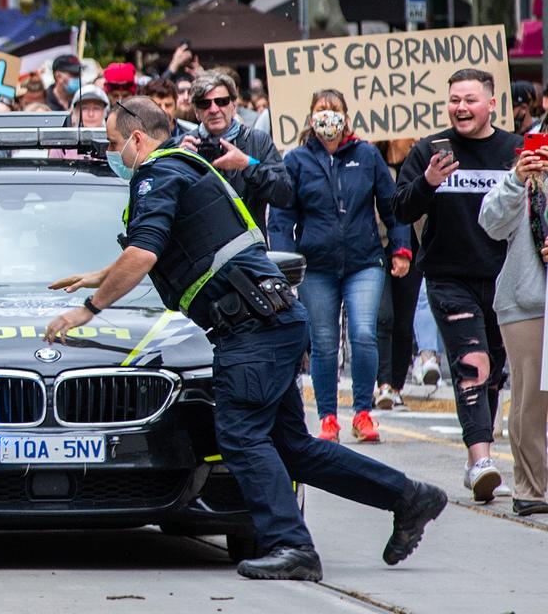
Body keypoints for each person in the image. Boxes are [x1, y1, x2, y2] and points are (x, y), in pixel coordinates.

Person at [43, 97, 445, 580]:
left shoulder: (157, 173)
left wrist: (88, 309)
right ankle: (409, 497)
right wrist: (99, 274)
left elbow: (145, 253)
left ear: (136, 138)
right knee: (293, 448)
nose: (113, 154)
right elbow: (170, 245)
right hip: (270, 322)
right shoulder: (185, 168)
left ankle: (291, 545)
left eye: (112, 144)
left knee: (240, 437)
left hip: (251, 329)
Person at [393, 68, 523, 502]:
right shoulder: (432, 150)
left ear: (490, 103)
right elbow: (400, 209)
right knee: (473, 364)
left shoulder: (514, 150)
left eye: (469, 99)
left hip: (506, 278)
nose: (461, 107)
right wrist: (428, 181)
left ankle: (474, 465)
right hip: (449, 276)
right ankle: (483, 458)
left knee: (494, 373)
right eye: (454, 100)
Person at [269, 90, 412, 443]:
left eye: (334, 111)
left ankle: (362, 413)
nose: (327, 118)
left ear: (346, 117)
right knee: (324, 341)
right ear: (311, 117)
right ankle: (329, 417)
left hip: (364, 261)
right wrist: (285, 264)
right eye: (321, 111)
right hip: (316, 267)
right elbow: (282, 216)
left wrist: (401, 248)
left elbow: (393, 206)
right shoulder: (297, 161)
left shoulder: (367, 156)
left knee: (364, 333)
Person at [478, 143, 548, 515]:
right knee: (532, 396)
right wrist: (517, 178)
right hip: (526, 302)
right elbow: (491, 223)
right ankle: (530, 487)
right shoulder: (524, 181)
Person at [178, 71, 292, 237]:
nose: (214, 109)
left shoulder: (257, 141)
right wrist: (179, 164)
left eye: (222, 101)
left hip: (249, 252)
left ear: (234, 105)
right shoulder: (183, 145)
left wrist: (248, 164)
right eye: (205, 104)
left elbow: (284, 195)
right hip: (201, 253)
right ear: (196, 111)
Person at [374, 139, 425, 409]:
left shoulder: (422, 159)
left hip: (414, 246)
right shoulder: (371, 157)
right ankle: (382, 383)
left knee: (404, 320)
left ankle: (396, 384)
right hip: (377, 245)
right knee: (383, 316)